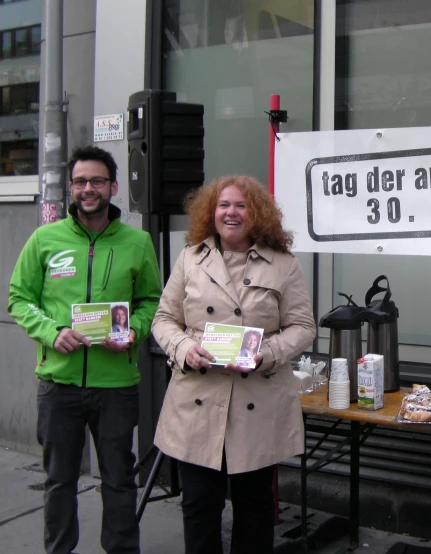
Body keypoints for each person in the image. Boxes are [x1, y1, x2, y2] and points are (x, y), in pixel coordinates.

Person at [8, 146, 162, 554]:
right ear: (72, 188)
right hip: (58, 384)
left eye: (97, 181)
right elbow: (19, 298)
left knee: (119, 480)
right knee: (59, 480)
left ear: (113, 186)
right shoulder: (45, 239)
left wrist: (135, 333)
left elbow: (151, 301)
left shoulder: (137, 242)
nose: (88, 189)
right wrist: (50, 331)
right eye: (80, 181)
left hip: (116, 384)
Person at [150, 175, 316, 554]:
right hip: (197, 402)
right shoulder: (190, 258)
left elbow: (304, 328)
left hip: (256, 402)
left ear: (256, 214)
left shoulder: (283, 264)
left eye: (241, 205)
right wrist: (183, 348)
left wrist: (268, 354)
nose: (231, 213)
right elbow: (163, 319)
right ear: (211, 212)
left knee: (255, 511)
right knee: (198, 508)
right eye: (224, 205)